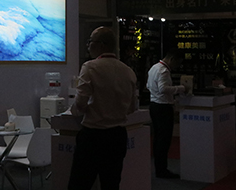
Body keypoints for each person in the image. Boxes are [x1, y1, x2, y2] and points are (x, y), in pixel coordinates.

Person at [68, 26, 138, 190]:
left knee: (80, 184)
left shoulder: (90, 67)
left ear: (101, 44)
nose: (88, 45)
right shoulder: (128, 71)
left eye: (90, 41)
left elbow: (80, 103)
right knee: (111, 184)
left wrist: (75, 111)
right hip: (117, 136)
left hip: (93, 136)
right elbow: (132, 107)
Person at [146, 48, 187, 179]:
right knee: (164, 140)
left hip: (154, 105)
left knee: (158, 138)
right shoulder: (164, 70)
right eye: (177, 63)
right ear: (172, 59)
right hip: (163, 107)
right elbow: (163, 89)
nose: (177, 66)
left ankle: (159, 168)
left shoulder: (154, 68)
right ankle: (162, 169)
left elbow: (148, 85)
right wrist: (181, 88)